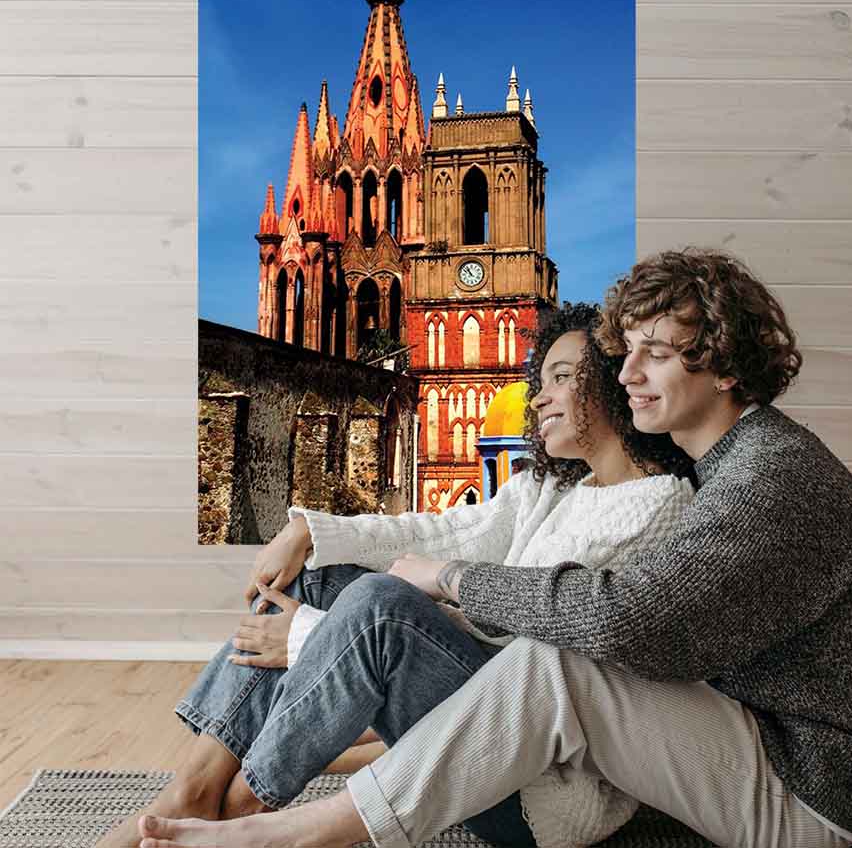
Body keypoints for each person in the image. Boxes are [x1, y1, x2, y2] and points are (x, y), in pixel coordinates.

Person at [135, 249, 852, 848]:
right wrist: (322, 534)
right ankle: (200, 791)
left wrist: (448, 580)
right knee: (362, 586)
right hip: (751, 735)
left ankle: (281, 827)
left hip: (804, 788)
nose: (629, 371)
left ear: (729, 366)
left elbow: (622, 621)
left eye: (657, 353)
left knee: (564, 654)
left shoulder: (767, 478)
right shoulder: (741, 461)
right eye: (626, 352)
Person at [99, 302, 694, 848]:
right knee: (321, 576)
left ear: (619, 383)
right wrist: (311, 533)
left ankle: (241, 809)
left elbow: (531, 666)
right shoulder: (556, 487)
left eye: (563, 377)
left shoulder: (656, 507)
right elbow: (438, 535)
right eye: (542, 380)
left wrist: (310, 636)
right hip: (481, 731)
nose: (539, 397)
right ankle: (193, 794)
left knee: (380, 606)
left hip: (540, 786)